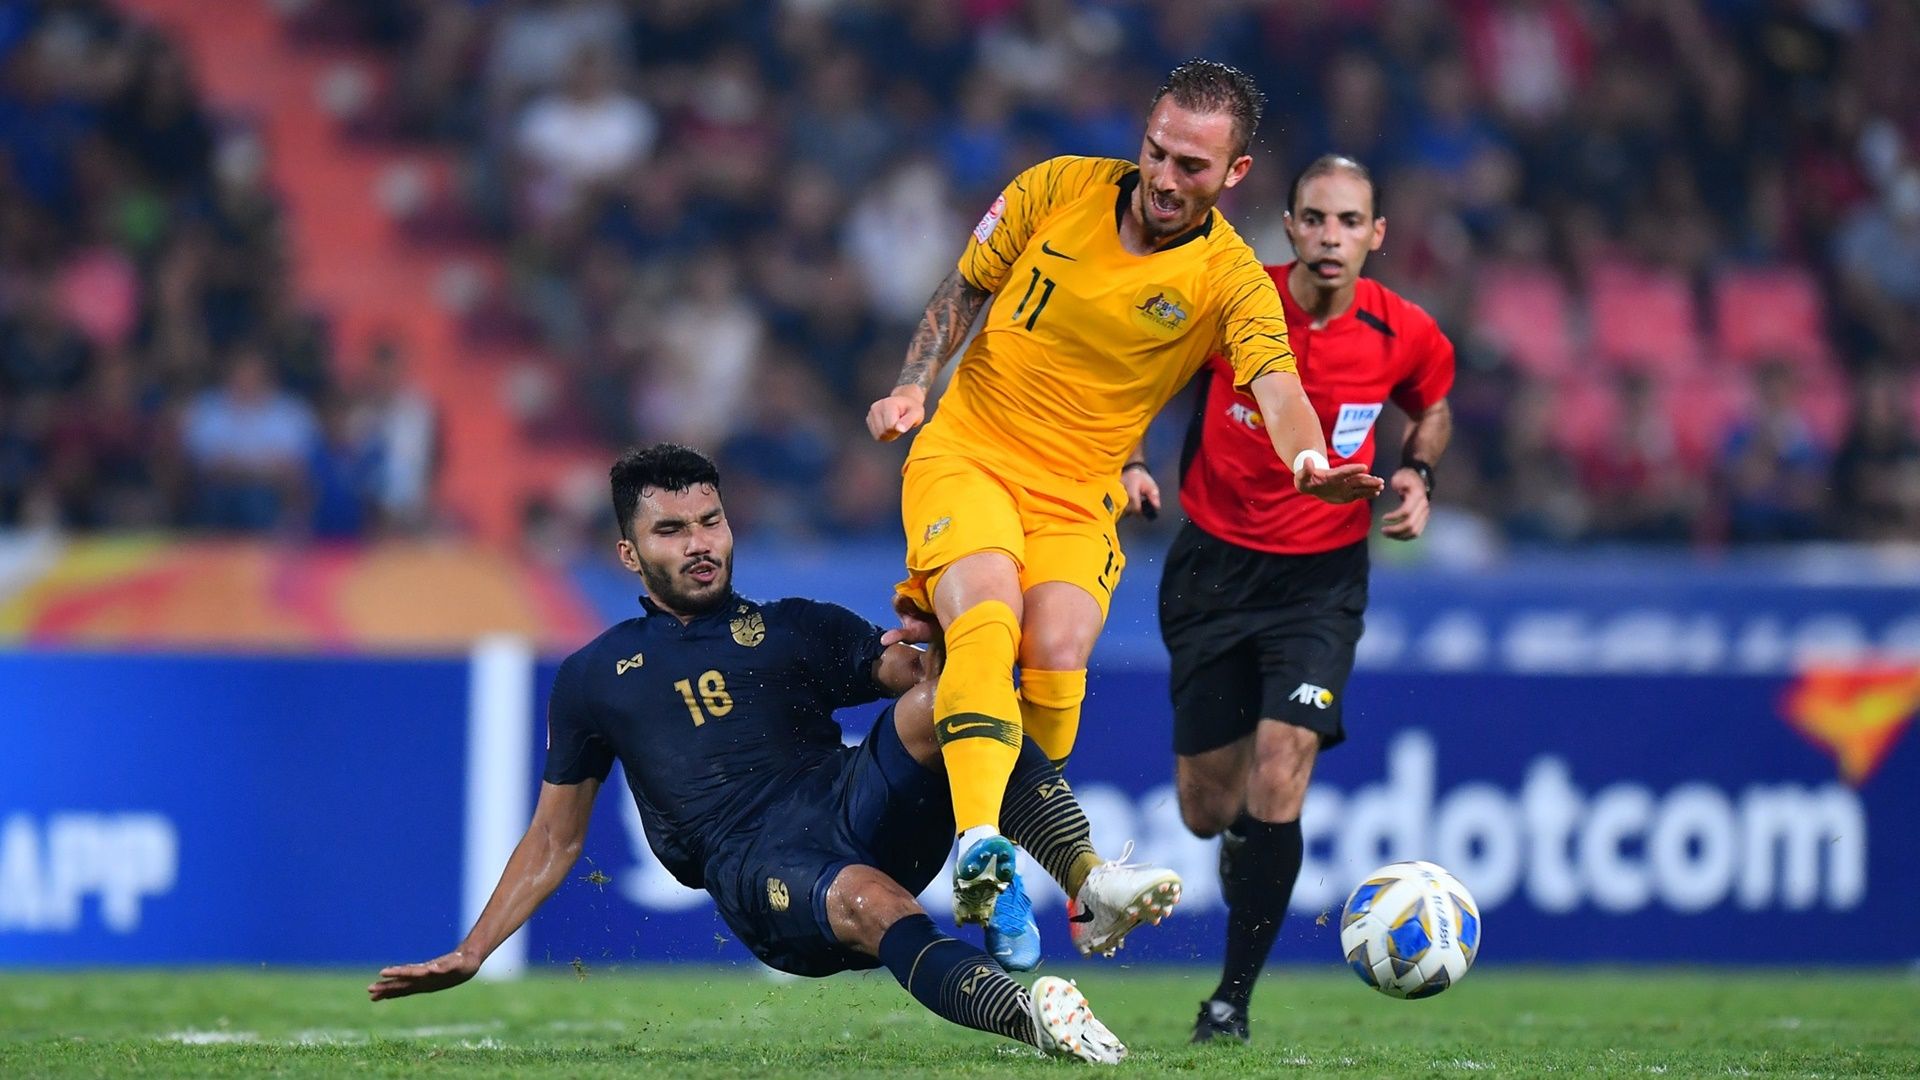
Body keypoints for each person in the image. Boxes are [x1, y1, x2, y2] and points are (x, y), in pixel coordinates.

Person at [369, 444, 1178, 1064]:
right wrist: (474, 950)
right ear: (629, 554)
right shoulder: (594, 676)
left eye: (709, 522)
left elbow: (921, 675)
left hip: (856, 803)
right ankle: (1032, 1017)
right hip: (759, 868)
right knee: (871, 901)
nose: (699, 544)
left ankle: (1088, 881)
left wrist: (951, 628)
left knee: (950, 700)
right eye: (671, 530)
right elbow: (555, 838)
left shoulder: (794, 625)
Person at [864, 60, 1382, 942]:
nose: (1166, 178)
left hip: (1079, 490)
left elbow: (1277, 384)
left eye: (1193, 166)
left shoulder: (1230, 279)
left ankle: (1042, 875)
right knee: (988, 614)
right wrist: (915, 382)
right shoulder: (1054, 188)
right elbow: (967, 286)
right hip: (971, 453)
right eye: (1158, 152)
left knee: (1057, 651)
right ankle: (981, 846)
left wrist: (1308, 457)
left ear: (1236, 173)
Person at [1154, 155, 1455, 1043]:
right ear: (1288, 226)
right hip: (1213, 570)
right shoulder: (1237, 304)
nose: (1331, 237)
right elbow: (1142, 375)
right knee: (1207, 810)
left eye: (1349, 221)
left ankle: (1229, 1002)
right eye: (1315, 219)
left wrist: (1419, 469)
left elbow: (1433, 403)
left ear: (1376, 234)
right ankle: (1242, 842)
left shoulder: (1402, 329)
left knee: (1284, 764)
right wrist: (1127, 460)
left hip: (1320, 583)